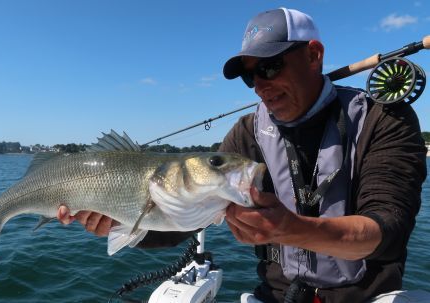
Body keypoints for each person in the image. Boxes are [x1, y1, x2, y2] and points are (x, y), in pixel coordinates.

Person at [58, 8, 427, 303]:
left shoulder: (383, 118)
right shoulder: (248, 132)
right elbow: (184, 223)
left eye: (270, 66)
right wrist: (122, 223)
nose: (261, 85)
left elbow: (389, 229)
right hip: (276, 295)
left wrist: (294, 229)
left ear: (314, 55)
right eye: (250, 77)